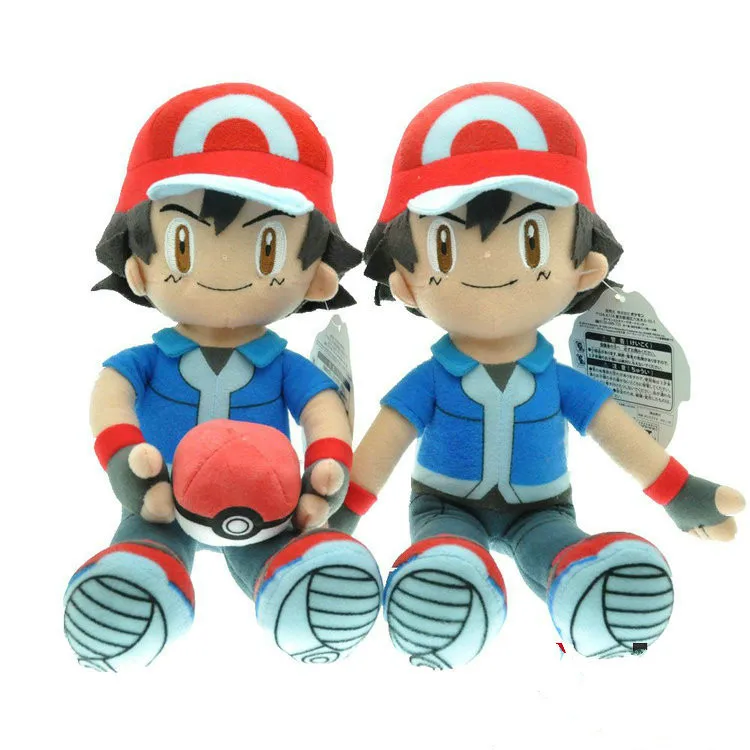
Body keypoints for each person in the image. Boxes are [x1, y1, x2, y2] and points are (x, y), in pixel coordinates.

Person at [330, 82, 745, 669]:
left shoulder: (560, 381)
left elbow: (620, 435)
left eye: (532, 240)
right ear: (405, 282)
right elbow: (382, 447)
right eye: (444, 247)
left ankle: (589, 588)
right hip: (443, 507)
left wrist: (679, 492)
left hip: (544, 510)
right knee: (448, 554)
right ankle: (446, 588)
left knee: (559, 551)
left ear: (585, 269)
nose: (489, 268)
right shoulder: (430, 380)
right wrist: (339, 520)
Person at [63, 83, 382, 672]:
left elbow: (322, 409)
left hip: (270, 506)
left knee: (282, 558)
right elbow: (111, 395)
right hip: (156, 496)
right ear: (137, 264)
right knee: (145, 546)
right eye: (181, 243)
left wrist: (327, 463)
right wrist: (125, 463)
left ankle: (299, 592)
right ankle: (138, 589)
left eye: (268, 248)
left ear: (317, 276)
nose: (226, 269)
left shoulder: (284, 364)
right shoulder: (146, 359)